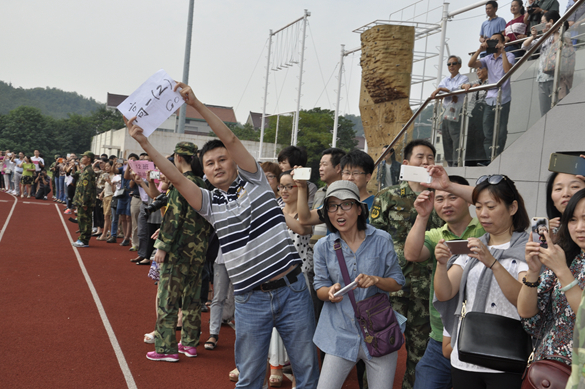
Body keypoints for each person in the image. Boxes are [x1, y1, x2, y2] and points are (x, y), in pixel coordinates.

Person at [127, 82, 319, 387]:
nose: (217, 166)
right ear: (204, 172)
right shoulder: (209, 204)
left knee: (307, 374)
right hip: (250, 300)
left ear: (234, 161)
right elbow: (175, 176)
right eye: (209, 163)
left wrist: (197, 105)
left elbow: (229, 137)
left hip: (292, 290)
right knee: (249, 377)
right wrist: (145, 143)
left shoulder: (255, 181)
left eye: (222, 159)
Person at [433, 174, 530, 389]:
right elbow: (445, 293)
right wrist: (441, 264)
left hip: (506, 359)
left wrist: (493, 263)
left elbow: (524, 303)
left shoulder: (527, 250)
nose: (483, 214)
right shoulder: (471, 247)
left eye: (491, 206)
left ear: (512, 208)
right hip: (465, 356)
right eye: (478, 207)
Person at [313, 180, 405, 389]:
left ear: (359, 208)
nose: (339, 212)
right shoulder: (323, 247)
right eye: (333, 206)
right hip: (339, 332)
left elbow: (398, 282)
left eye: (346, 204)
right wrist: (329, 292)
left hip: (379, 331)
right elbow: (319, 286)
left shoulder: (382, 240)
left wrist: (376, 280)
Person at [369, 139, 444, 389]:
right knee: (379, 349)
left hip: (427, 291)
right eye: (420, 157)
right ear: (406, 163)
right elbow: (372, 242)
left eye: (430, 158)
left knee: (420, 357)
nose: (425, 162)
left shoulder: (442, 199)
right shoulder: (388, 197)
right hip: (391, 290)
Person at [404, 176, 485, 389]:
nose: (446, 204)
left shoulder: (487, 229)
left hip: (480, 335)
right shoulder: (436, 235)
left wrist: (451, 185)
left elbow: (488, 196)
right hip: (441, 335)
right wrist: (422, 216)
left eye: (453, 197)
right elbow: (412, 254)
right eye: (439, 199)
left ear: (469, 200)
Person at [144, 142, 213, 362]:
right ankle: (189, 344)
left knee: (168, 300)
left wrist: (163, 246)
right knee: (192, 299)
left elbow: (173, 218)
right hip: (198, 252)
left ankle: (166, 349)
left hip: (177, 252)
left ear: (178, 158)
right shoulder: (203, 184)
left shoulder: (180, 185)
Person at [518, 189, 585, 371]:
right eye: (572, 220)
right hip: (547, 371)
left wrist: (562, 271)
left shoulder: (561, 263)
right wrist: (533, 271)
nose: (579, 227)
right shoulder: (568, 256)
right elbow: (527, 314)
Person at [469, 32, 515, 160]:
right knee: (487, 131)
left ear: (503, 42)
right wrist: (480, 50)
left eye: (496, 41)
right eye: (492, 41)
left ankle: (498, 156)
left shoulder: (510, 55)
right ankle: (490, 158)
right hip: (490, 99)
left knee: (500, 131)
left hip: (504, 98)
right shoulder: (487, 58)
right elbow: (471, 64)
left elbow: (507, 70)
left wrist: (503, 52)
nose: (494, 43)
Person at [523, 11, 574, 117]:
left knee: (561, 113)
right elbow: (525, 46)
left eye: (543, 22)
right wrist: (533, 36)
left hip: (557, 78)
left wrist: (553, 29)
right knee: (545, 114)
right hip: (542, 79)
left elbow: (559, 44)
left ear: (551, 21)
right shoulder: (544, 37)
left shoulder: (564, 33)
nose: (541, 26)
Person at [431, 55, 470, 166]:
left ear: (459, 65)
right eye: (449, 64)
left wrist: (444, 90)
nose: (451, 66)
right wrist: (446, 91)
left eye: (454, 63)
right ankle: (449, 163)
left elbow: (459, 87)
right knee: (446, 139)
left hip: (457, 112)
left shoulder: (464, 78)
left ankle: (456, 163)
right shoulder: (445, 80)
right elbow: (443, 92)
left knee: (456, 138)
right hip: (446, 112)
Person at [461, 66, 489, 165]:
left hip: (485, 112)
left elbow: (494, 93)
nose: (478, 72)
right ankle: (470, 161)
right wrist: (465, 86)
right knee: (470, 138)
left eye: (480, 69)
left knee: (480, 137)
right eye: (477, 70)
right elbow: (462, 85)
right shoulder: (477, 82)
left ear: (487, 70)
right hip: (472, 114)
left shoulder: (491, 81)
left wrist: (484, 89)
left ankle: (482, 160)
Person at [71, 152, 97, 248]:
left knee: (85, 220)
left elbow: (87, 188)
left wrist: (85, 202)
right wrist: (74, 167)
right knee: (81, 220)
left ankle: (84, 240)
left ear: (89, 159)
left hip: (84, 201)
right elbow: (74, 175)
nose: (82, 159)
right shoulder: (84, 170)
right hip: (81, 199)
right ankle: (82, 238)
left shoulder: (89, 171)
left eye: (84, 157)